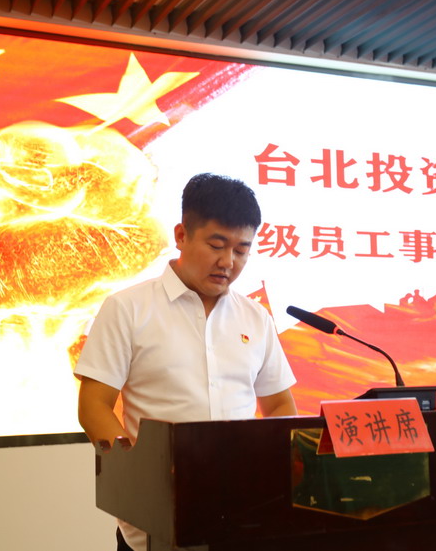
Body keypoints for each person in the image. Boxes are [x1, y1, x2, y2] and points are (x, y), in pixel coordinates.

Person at [74, 173, 297, 551]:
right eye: (216, 245)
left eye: (242, 250)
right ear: (181, 235)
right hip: (154, 518)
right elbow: (94, 406)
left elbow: (278, 405)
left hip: (241, 513)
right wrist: (137, 475)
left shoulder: (256, 318)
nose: (228, 262)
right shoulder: (128, 308)